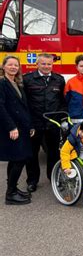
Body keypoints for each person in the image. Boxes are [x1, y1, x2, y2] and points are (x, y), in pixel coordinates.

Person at [23, 53, 66, 192]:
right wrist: (27, 123)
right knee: (32, 154)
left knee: (53, 153)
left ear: (52, 64)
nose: (46, 66)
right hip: (34, 124)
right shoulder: (28, 79)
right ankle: (32, 181)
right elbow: (24, 103)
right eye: (43, 64)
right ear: (37, 64)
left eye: (49, 64)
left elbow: (62, 101)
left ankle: (53, 177)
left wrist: (61, 119)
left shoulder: (59, 80)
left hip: (52, 123)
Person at [0, 56, 34, 205]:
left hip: (22, 127)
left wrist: (30, 125)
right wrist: (11, 127)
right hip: (13, 128)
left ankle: (13, 188)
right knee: (19, 159)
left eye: (16, 65)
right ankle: (10, 194)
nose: (13, 67)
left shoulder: (17, 83)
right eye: (10, 65)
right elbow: (0, 107)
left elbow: (24, 107)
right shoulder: (2, 83)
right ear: (4, 66)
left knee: (16, 159)